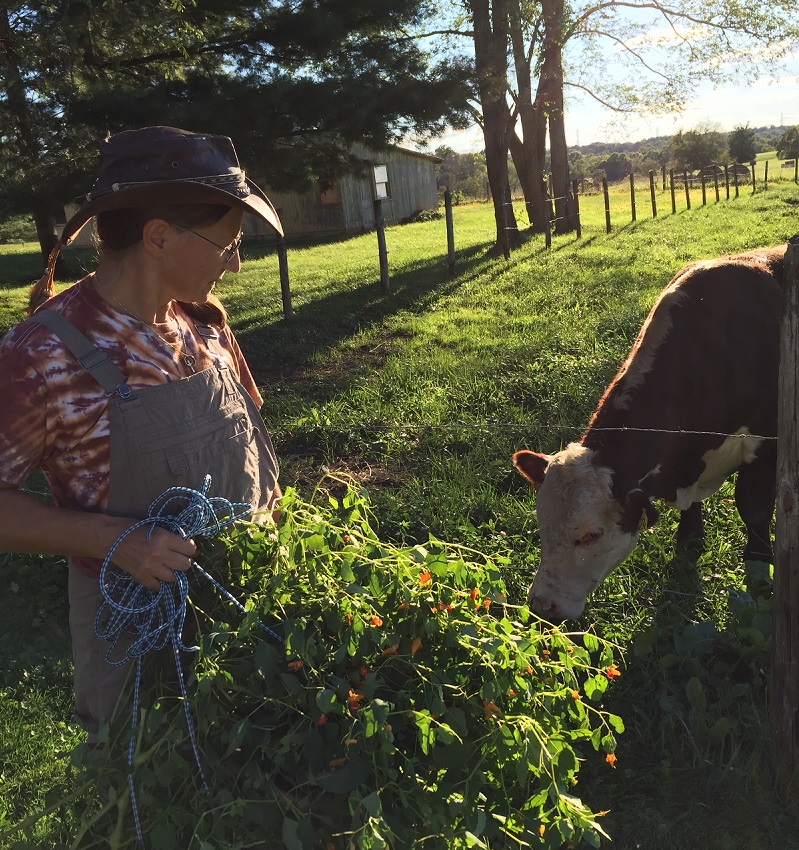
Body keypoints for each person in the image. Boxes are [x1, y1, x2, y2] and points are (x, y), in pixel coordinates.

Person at [0, 125, 283, 738]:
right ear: (158, 237)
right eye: (226, 243)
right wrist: (116, 541)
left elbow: (254, 446)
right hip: (135, 637)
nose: (234, 262)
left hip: (248, 613)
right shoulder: (43, 354)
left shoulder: (205, 328)